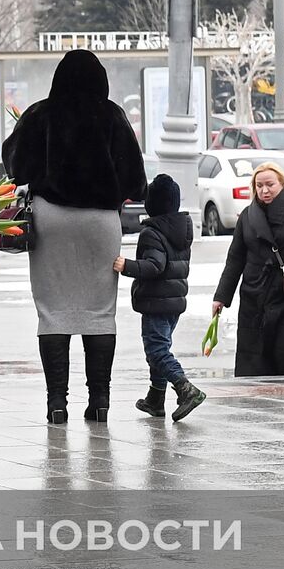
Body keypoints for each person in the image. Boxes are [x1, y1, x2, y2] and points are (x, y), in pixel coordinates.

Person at [3, 49, 146, 423]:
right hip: (101, 223)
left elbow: (16, 167)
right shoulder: (112, 115)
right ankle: (100, 401)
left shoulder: (41, 113)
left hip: (51, 221)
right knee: (100, 313)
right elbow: (135, 180)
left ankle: (56, 402)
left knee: (53, 312)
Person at [211, 163, 284, 376]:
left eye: (270, 185)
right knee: (254, 365)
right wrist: (221, 297)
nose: (264, 190)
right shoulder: (248, 216)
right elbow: (235, 260)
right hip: (254, 296)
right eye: (259, 185)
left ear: (282, 184)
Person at [113, 174, 206, 421]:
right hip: (173, 301)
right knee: (160, 347)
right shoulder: (181, 228)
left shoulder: (152, 232)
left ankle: (186, 389)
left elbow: (155, 266)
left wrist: (127, 266)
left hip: (156, 301)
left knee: (156, 351)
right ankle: (155, 398)